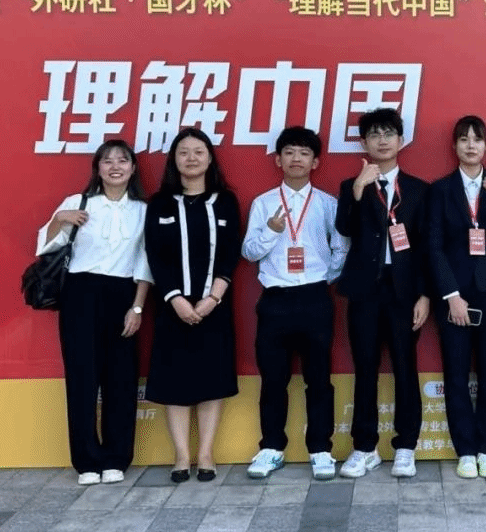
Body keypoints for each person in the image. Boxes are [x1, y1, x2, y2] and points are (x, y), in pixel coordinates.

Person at [37, 140, 152, 486]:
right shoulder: (79, 202)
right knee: (82, 378)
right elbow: (45, 245)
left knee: (121, 379)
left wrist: (137, 307)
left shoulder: (143, 210)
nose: (115, 167)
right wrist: (60, 219)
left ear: (133, 168)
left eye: (122, 160)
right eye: (107, 161)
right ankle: (87, 461)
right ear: (97, 168)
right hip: (80, 294)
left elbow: (145, 263)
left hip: (123, 294)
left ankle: (116, 457)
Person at [242, 127, 350, 481]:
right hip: (275, 300)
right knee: (274, 380)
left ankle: (320, 449)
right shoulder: (263, 203)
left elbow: (341, 247)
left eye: (304, 153)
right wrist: (272, 230)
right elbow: (249, 252)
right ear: (278, 159)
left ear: (315, 162)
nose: (296, 159)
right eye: (289, 152)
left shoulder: (327, 204)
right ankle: (272, 448)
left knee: (319, 380)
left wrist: (323, 278)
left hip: (315, 298)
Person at [335, 108, 431, 479]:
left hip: (404, 290)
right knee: (365, 369)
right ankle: (364, 447)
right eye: (374, 134)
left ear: (401, 140)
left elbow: (426, 247)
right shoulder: (351, 186)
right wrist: (360, 189)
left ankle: (406, 446)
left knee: (406, 367)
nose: (382, 140)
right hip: (365, 290)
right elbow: (345, 227)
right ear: (364, 143)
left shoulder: (419, 189)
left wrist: (424, 295)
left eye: (389, 133)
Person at [144, 127, 241, 484]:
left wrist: (213, 297)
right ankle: (181, 456)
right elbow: (155, 254)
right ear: (174, 159)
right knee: (176, 382)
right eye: (183, 152)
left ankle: (206, 455)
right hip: (172, 308)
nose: (191, 158)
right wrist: (176, 299)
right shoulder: (160, 203)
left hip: (215, 306)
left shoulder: (225, 201)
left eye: (198, 152)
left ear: (210, 158)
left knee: (211, 380)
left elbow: (230, 252)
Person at [426, 115, 486, 479]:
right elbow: (433, 247)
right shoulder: (440, 189)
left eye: (476, 139)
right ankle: (465, 450)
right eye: (463, 139)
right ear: (454, 146)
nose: (470, 145)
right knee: (456, 373)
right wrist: (451, 295)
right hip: (455, 295)